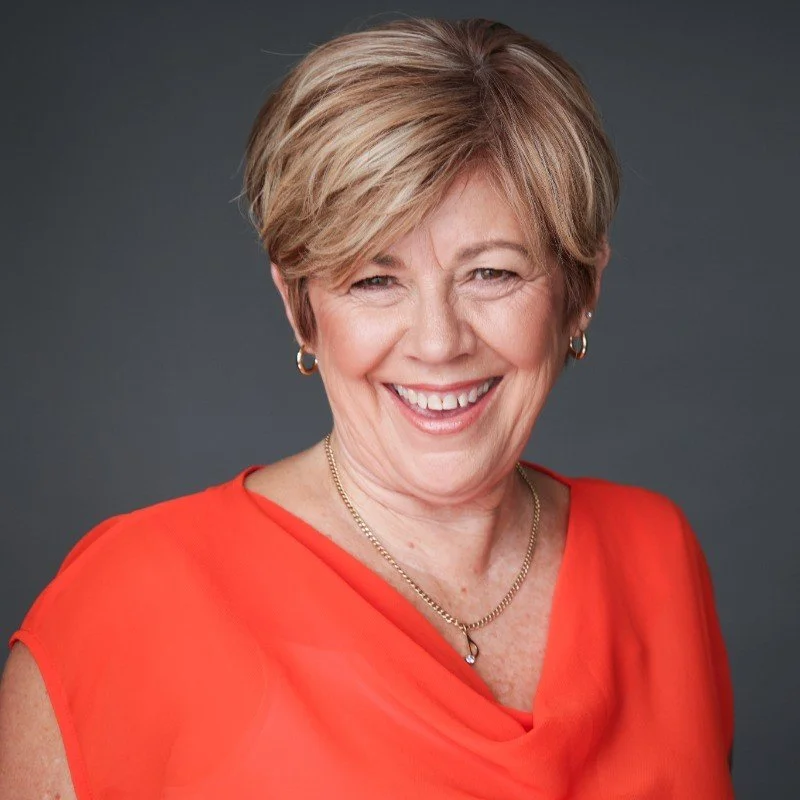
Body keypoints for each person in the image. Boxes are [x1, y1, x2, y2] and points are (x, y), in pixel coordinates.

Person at [0, 17, 734, 799]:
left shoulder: (658, 557)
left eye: (490, 272)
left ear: (579, 292)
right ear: (300, 307)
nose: (439, 341)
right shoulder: (128, 604)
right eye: (373, 281)